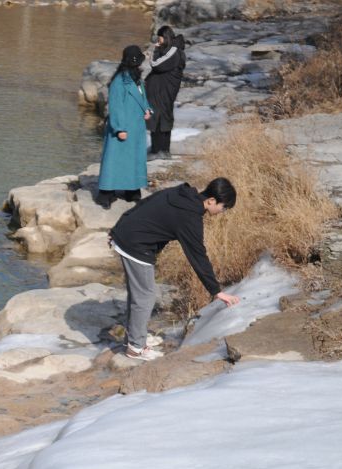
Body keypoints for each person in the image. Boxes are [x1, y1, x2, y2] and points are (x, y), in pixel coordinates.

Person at [108, 178, 242, 360]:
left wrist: (117, 227)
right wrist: (216, 291)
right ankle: (135, 347)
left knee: (139, 294)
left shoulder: (182, 193)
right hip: (135, 245)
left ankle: (134, 337)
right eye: (223, 207)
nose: (223, 212)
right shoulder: (190, 217)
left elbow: (145, 203)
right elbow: (197, 255)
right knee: (145, 296)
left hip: (128, 235)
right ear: (211, 200)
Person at [98, 45, 154, 209]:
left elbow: (142, 98)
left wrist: (148, 109)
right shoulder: (119, 81)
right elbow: (116, 107)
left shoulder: (136, 79)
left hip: (136, 128)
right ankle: (106, 195)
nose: (140, 66)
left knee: (133, 160)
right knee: (114, 161)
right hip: (123, 128)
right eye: (138, 63)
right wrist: (119, 128)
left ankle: (132, 191)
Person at [146, 25, 188, 156]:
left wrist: (156, 50)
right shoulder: (174, 50)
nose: (158, 42)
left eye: (160, 39)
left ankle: (158, 150)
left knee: (158, 119)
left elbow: (156, 64)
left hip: (163, 92)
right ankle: (163, 150)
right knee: (163, 118)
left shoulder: (173, 51)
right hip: (162, 91)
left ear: (165, 37)